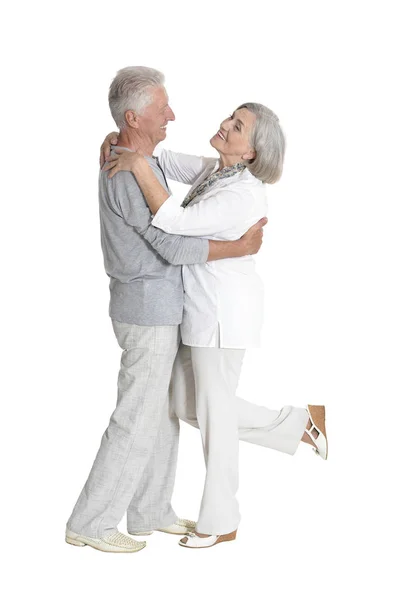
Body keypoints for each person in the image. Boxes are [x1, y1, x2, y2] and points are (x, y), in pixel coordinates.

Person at [102, 95, 328, 549]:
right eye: (231, 117)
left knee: (213, 413)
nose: (226, 124)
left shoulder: (244, 193)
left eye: (238, 127)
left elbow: (176, 222)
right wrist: (114, 142)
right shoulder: (216, 170)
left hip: (223, 314)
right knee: (191, 406)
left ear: (251, 152)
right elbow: (159, 155)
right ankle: (300, 423)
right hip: (200, 312)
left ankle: (221, 519)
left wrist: (138, 168)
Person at [65, 66, 267, 554]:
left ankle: (151, 509)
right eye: (162, 108)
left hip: (163, 307)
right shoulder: (127, 170)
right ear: (135, 117)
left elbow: (174, 175)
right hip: (148, 308)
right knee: (136, 417)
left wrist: (118, 138)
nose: (172, 114)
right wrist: (238, 248)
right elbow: (171, 245)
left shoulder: (139, 158)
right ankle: (91, 522)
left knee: (162, 415)